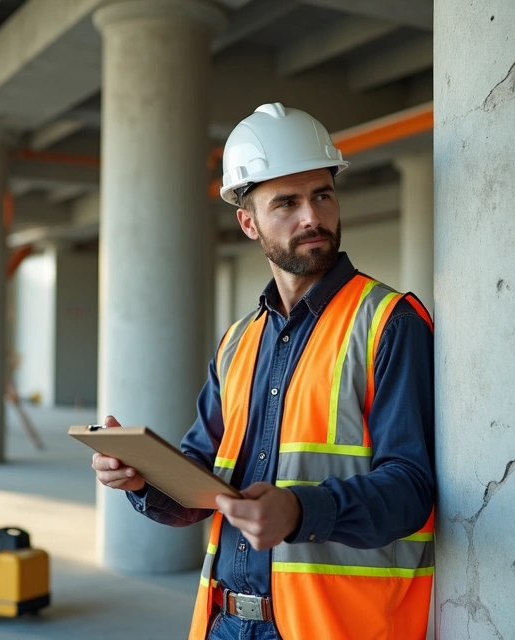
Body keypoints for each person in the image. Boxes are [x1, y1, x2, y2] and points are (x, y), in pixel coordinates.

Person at [92, 103, 436, 640]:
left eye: (322, 194)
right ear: (248, 222)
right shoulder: (238, 342)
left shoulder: (388, 323)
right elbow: (200, 480)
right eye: (287, 203)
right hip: (226, 621)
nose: (312, 218)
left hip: (331, 626)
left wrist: (300, 511)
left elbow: (411, 490)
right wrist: (143, 480)